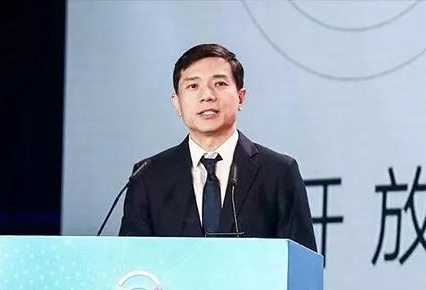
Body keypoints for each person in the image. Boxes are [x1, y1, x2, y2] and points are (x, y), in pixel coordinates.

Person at [119, 43, 317, 252]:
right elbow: (130, 262)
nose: (207, 95)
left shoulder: (278, 172)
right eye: (193, 86)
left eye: (220, 84)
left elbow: (302, 264)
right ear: (177, 103)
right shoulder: (148, 176)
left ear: (241, 97)